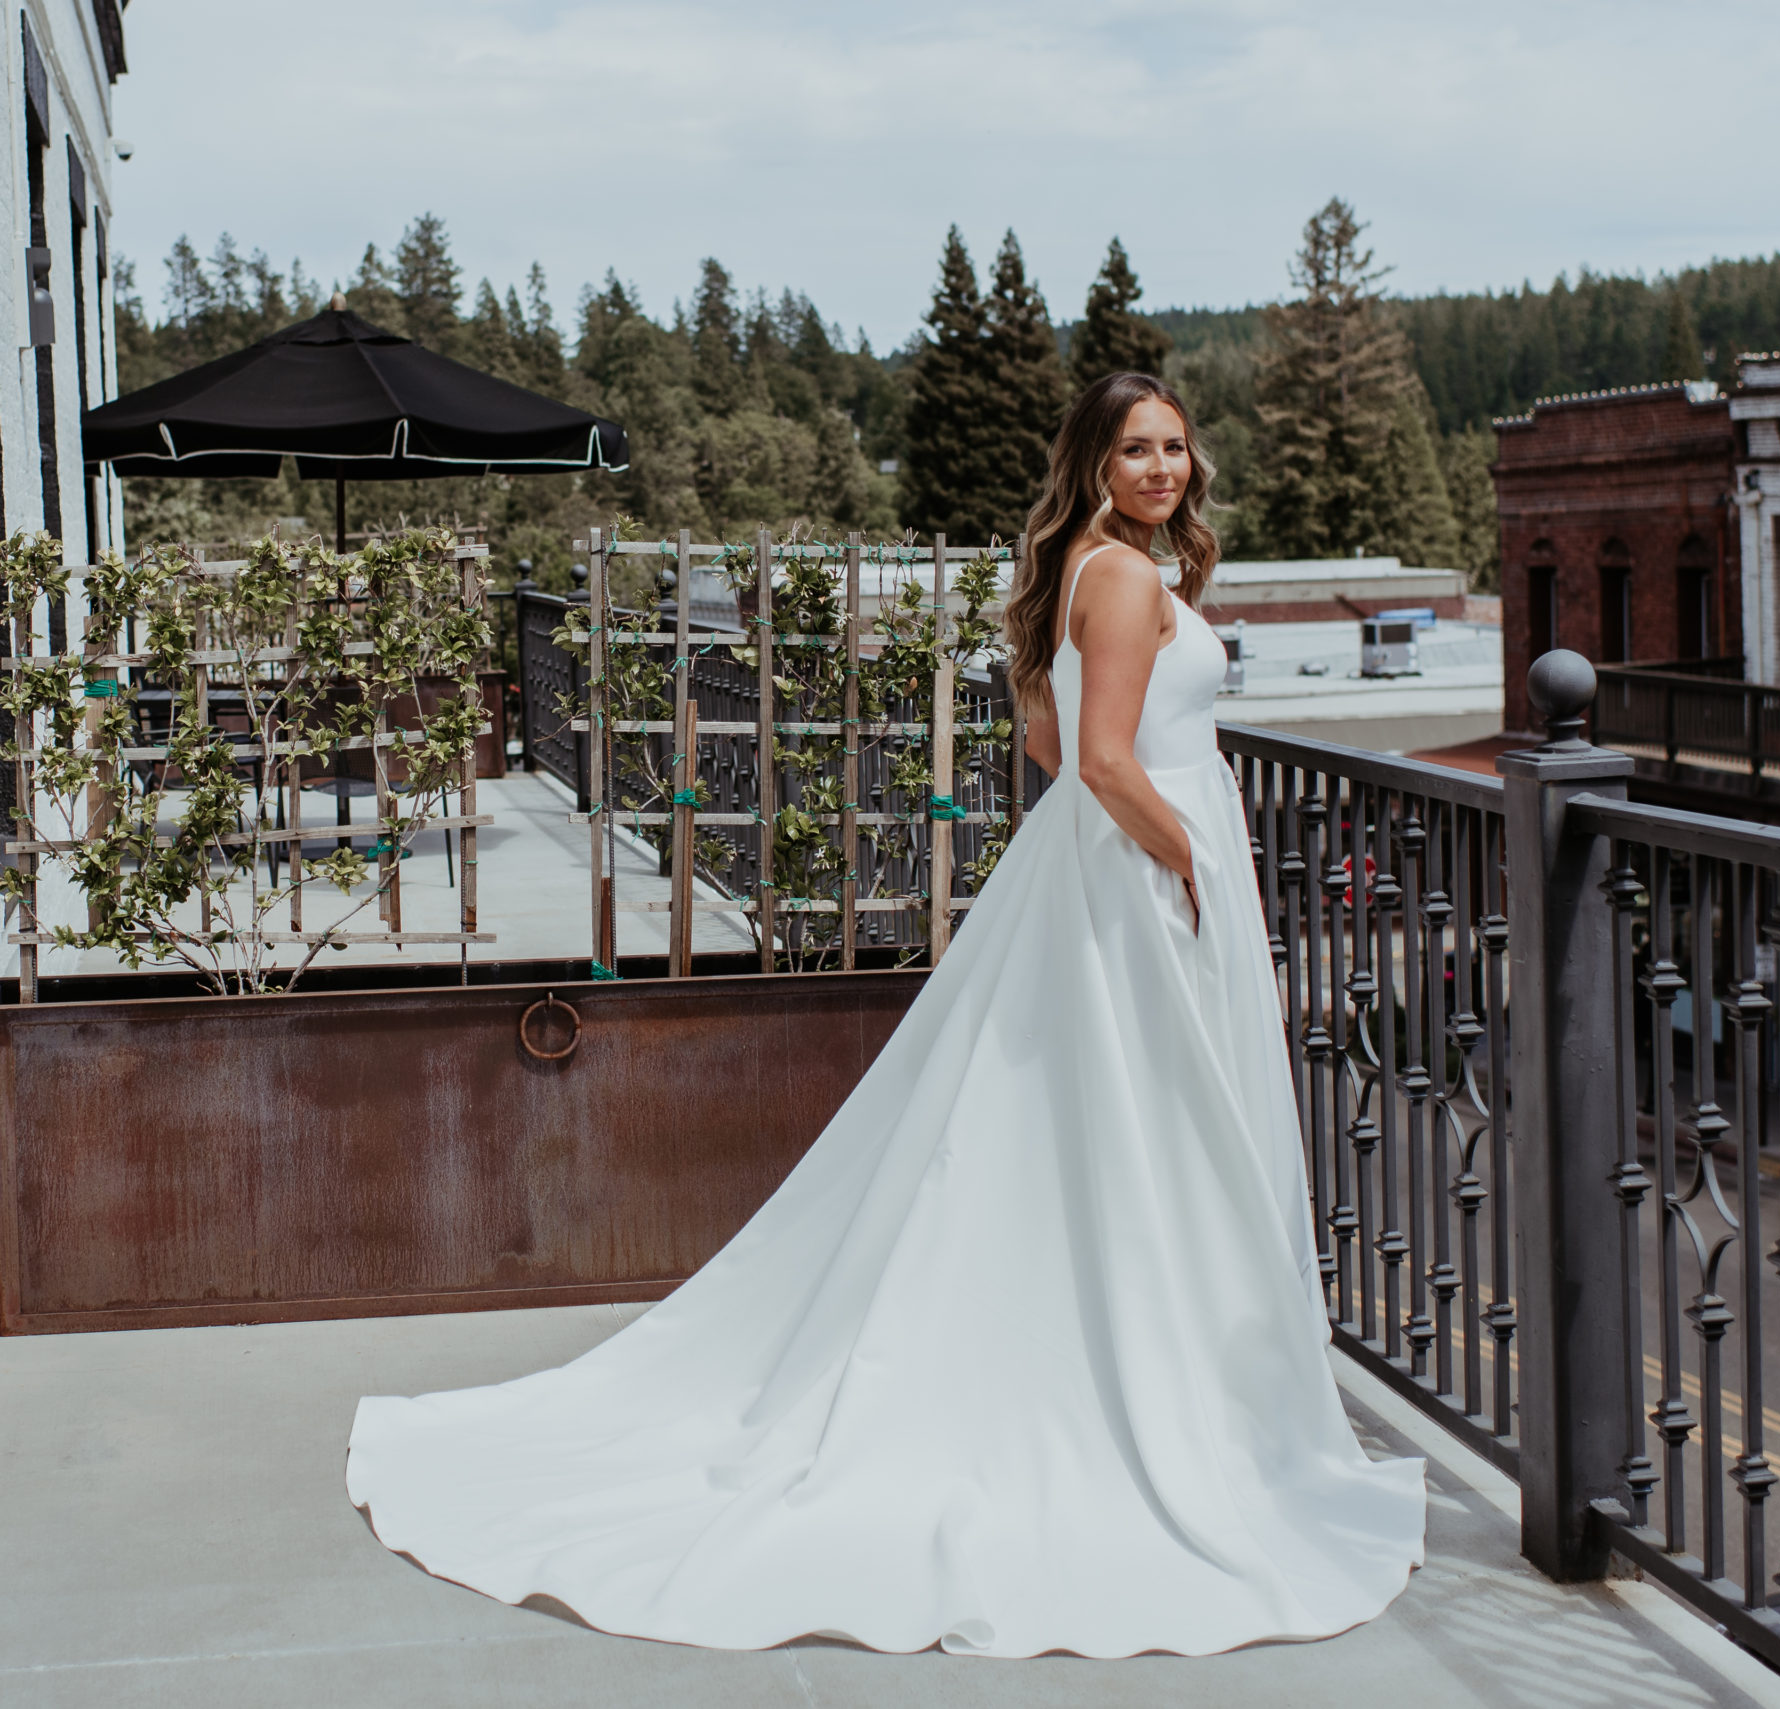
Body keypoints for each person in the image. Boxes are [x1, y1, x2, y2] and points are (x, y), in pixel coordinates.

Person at [345, 371, 1427, 1658]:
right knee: (1160, 1130)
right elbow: (1100, 762)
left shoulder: (1084, 569)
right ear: (1092, 461)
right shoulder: (1129, 581)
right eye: (1136, 448)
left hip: (1087, 873)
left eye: (1176, 447)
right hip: (1138, 877)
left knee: (1091, 1129)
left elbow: (1043, 736)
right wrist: (1194, 864)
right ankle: (1166, 1388)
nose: (1163, 468)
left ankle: (1135, 1357)